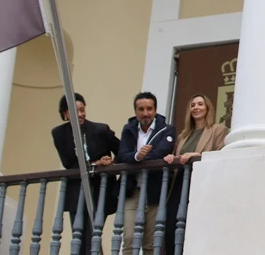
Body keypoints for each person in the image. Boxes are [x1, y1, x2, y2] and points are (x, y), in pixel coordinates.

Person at [51, 93, 119, 250]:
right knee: (80, 236)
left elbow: (121, 150)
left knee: (92, 235)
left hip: (100, 191)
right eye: (76, 111)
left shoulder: (100, 130)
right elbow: (69, 163)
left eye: (82, 109)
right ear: (65, 114)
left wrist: (110, 162)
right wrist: (96, 163)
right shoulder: (59, 134)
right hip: (76, 191)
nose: (81, 114)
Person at [162, 94, 228, 254]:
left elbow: (222, 155)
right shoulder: (183, 135)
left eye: (200, 104)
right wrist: (171, 158)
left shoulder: (218, 130)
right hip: (180, 184)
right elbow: (178, 157)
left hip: (202, 184)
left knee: (196, 226)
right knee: (171, 225)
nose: (196, 108)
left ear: (208, 108)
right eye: (193, 105)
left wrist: (196, 156)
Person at [119, 91, 176, 254]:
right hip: (133, 191)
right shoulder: (128, 129)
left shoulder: (167, 130)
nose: (145, 113)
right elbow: (121, 155)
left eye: (149, 109)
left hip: (154, 192)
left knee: (151, 243)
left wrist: (138, 158)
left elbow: (161, 152)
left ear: (155, 110)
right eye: (141, 109)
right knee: (129, 238)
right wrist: (137, 155)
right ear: (135, 111)